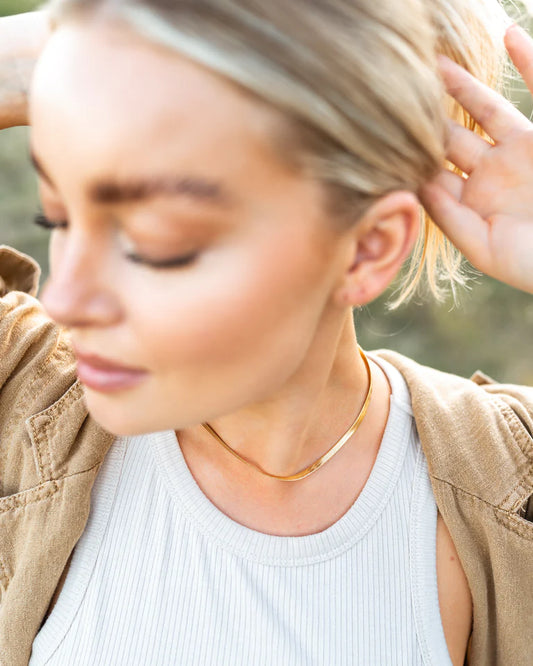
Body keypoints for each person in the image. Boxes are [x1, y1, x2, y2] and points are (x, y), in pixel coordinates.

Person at [0, 1, 532, 665]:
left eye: (153, 243)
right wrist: (98, 33)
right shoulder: (20, 401)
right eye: (59, 223)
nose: (64, 297)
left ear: (367, 249)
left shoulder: (513, 481)